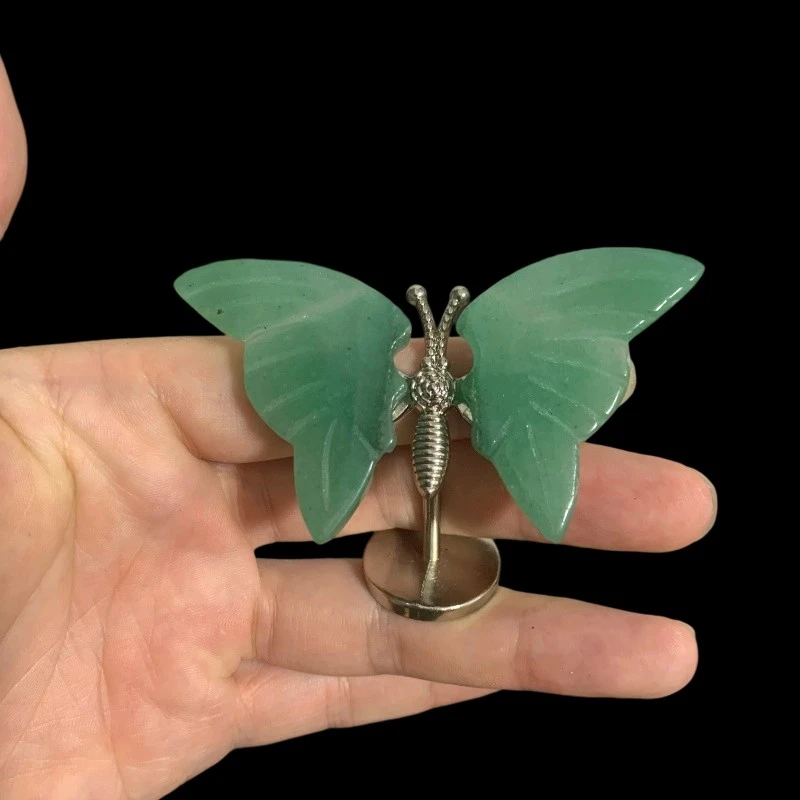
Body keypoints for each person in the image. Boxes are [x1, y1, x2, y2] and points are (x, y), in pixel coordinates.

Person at [0, 59, 717, 799]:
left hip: (445, 429)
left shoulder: (441, 353)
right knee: (386, 474)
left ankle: (496, 485)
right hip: (426, 432)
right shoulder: (411, 352)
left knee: (497, 473)